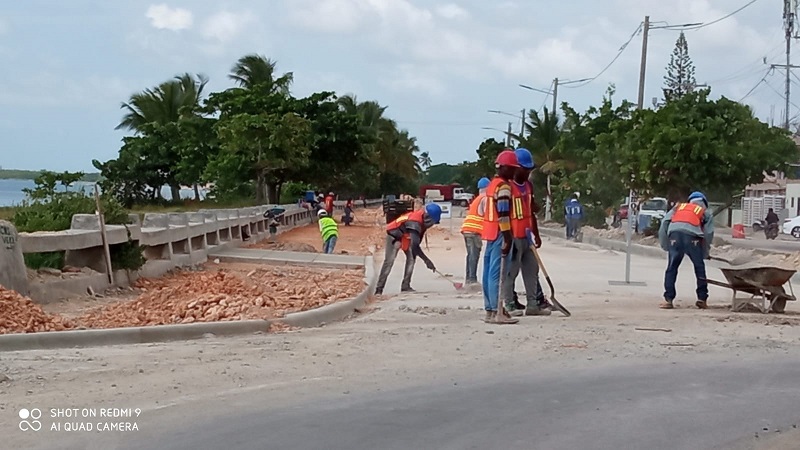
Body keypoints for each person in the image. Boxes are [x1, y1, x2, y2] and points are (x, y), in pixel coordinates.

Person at [503, 148, 550, 317]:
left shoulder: (528, 186)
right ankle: (508, 303)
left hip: (527, 235)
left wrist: (536, 234)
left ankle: (533, 304)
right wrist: (506, 238)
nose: (528, 172)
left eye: (530, 169)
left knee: (532, 270)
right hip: (514, 236)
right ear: (516, 168)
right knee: (511, 272)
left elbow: (531, 211)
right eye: (525, 169)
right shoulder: (507, 187)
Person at [658, 191, 715, 309]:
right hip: (693, 238)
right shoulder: (705, 212)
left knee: (672, 267)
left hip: (674, 236)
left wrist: (665, 245)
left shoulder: (678, 208)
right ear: (704, 203)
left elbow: (664, 223)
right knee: (699, 267)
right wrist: (704, 253)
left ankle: (668, 299)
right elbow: (708, 234)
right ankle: (702, 299)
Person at [481, 150, 519, 324]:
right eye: (512, 169)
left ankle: (490, 310)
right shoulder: (503, 187)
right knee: (497, 274)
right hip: (499, 233)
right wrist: (508, 237)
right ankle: (498, 311)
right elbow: (503, 212)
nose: (514, 173)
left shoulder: (491, 185)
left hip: (489, 233)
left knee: (488, 273)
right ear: (505, 168)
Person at [374, 203, 441, 295]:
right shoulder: (415, 222)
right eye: (433, 222)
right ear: (428, 218)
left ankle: (405, 286)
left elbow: (416, 244)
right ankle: (379, 289)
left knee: (411, 259)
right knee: (389, 261)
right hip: (394, 235)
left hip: (405, 236)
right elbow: (415, 246)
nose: (432, 225)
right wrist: (427, 261)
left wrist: (425, 259)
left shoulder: (421, 220)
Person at [460, 177, 490, 286]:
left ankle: (468, 279)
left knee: (470, 255)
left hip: (467, 229)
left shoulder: (477, 199)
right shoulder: (485, 198)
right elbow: (488, 214)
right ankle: (472, 279)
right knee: (474, 255)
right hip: (474, 230)